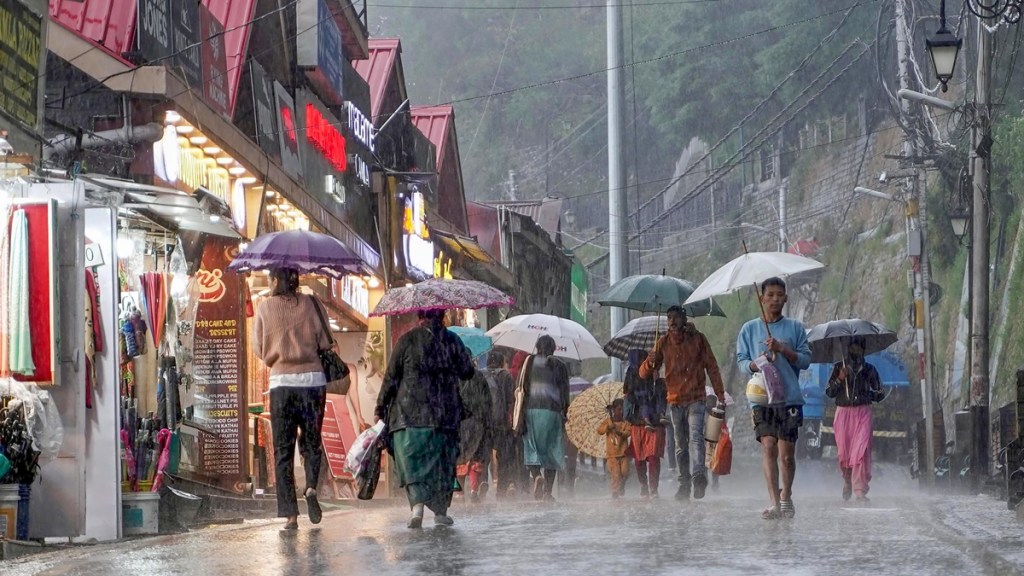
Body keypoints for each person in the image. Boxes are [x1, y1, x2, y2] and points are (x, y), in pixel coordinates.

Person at [375, 309, 475, 528]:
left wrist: (380, 407)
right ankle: (440, 512)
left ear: (420, 316)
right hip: (444, 416)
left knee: (413, 462)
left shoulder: (407, 340)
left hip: (408, 416)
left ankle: (417, 507)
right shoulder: (452, 340)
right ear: (443, 316)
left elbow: (391, 376)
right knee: (442, 462)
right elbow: (467, 372)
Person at [252, 268, 333, 530]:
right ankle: (310, 487)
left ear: (276, 280)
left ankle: (290, 515)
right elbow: (325, 341)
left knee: (283, 450)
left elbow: (260, 351)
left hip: (281, 385)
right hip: (312, 383)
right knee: (311, 442)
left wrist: (279, 353)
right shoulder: (311, 303)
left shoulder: (265, 308)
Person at [736, 277, 811, 520]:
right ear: (762, 298)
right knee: (768, 446)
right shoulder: (748, 329)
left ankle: (786, 496)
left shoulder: (796, 328)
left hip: (789, 399)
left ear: (786, 299)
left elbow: (805, 360)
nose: (775, 299)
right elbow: (741, 362)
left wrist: (782, 349)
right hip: (761, 398)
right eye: (770, 295)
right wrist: (756, 364)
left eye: (780, 295)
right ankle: (773, 503)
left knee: (787, 455)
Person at [640, 306, 726, 501]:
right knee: (680, 445)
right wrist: (649, 362)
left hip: (696, 398)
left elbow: (712, 367)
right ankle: (684, 483)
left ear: (684, 319)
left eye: (676, 317)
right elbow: (644, 374)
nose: (672, 321)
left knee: (695, 437)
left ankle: (698, 475)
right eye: (669, 318)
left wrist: (720, 394)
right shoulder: (662, 343)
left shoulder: (698, 339)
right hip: (675, 401)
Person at [825, 337, 885, 504]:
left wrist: (868, 394)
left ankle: (860, 491)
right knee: (844, 455)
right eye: (853, 348)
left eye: (859, 348)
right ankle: (847, 480)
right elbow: (829, 392)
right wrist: (839, 378)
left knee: (861, 452)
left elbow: (880, 393)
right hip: (843, 414)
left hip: (863, 412)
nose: (856, 351)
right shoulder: (839, 367)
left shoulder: (870, 370)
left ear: (863, 350)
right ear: (848, 349)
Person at [520, 334, 571, 501]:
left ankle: (536, 477)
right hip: (552, 412)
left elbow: (522, 387)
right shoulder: (561, 365)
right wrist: (565, 411)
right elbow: (565, 393)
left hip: (531, 411)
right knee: (552, 450)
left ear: (537, 346)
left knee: (532, 448)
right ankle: (548, 492)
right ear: (554, 348)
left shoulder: (529, 362)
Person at [623, 348, 667, 498]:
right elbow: (629, 396)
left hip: (655, 423)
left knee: (653, 456)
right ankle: (643, 485)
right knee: (639, 458)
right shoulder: (630, 375)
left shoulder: (658, 380)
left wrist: (656, 383)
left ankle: (653, 488)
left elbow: (662, 399)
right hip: (638, 424)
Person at [481, 350, 518, 499]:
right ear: (501, 362)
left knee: (484, 455)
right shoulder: (506, 375)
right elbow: (511, 400)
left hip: (484, 422)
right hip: (502, 422)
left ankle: (482, 482)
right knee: (503, 455)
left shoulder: (481, 375)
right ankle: (501, 489)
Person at [457, 366, 493, 503]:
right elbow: (487, 401)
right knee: (476, 456)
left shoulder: (455, 376)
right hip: (478, 421)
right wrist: (487, 423)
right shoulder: (479, 376)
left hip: (460, 422)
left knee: (460, 457)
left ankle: (459, 493)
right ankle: (473, 491)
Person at [597, 398, 632, 499]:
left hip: (623, 453)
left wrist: (619, 432)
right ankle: (615, 492)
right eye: (619, 409)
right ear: (613, 410)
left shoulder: (626, 423)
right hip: (612, 455)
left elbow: (628, 433)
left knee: (625, 472)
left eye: (622, 410)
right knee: (615, 474)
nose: (621, 412)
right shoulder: (608, 422)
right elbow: (599, 430)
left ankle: (622, 484)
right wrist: (607, 428)